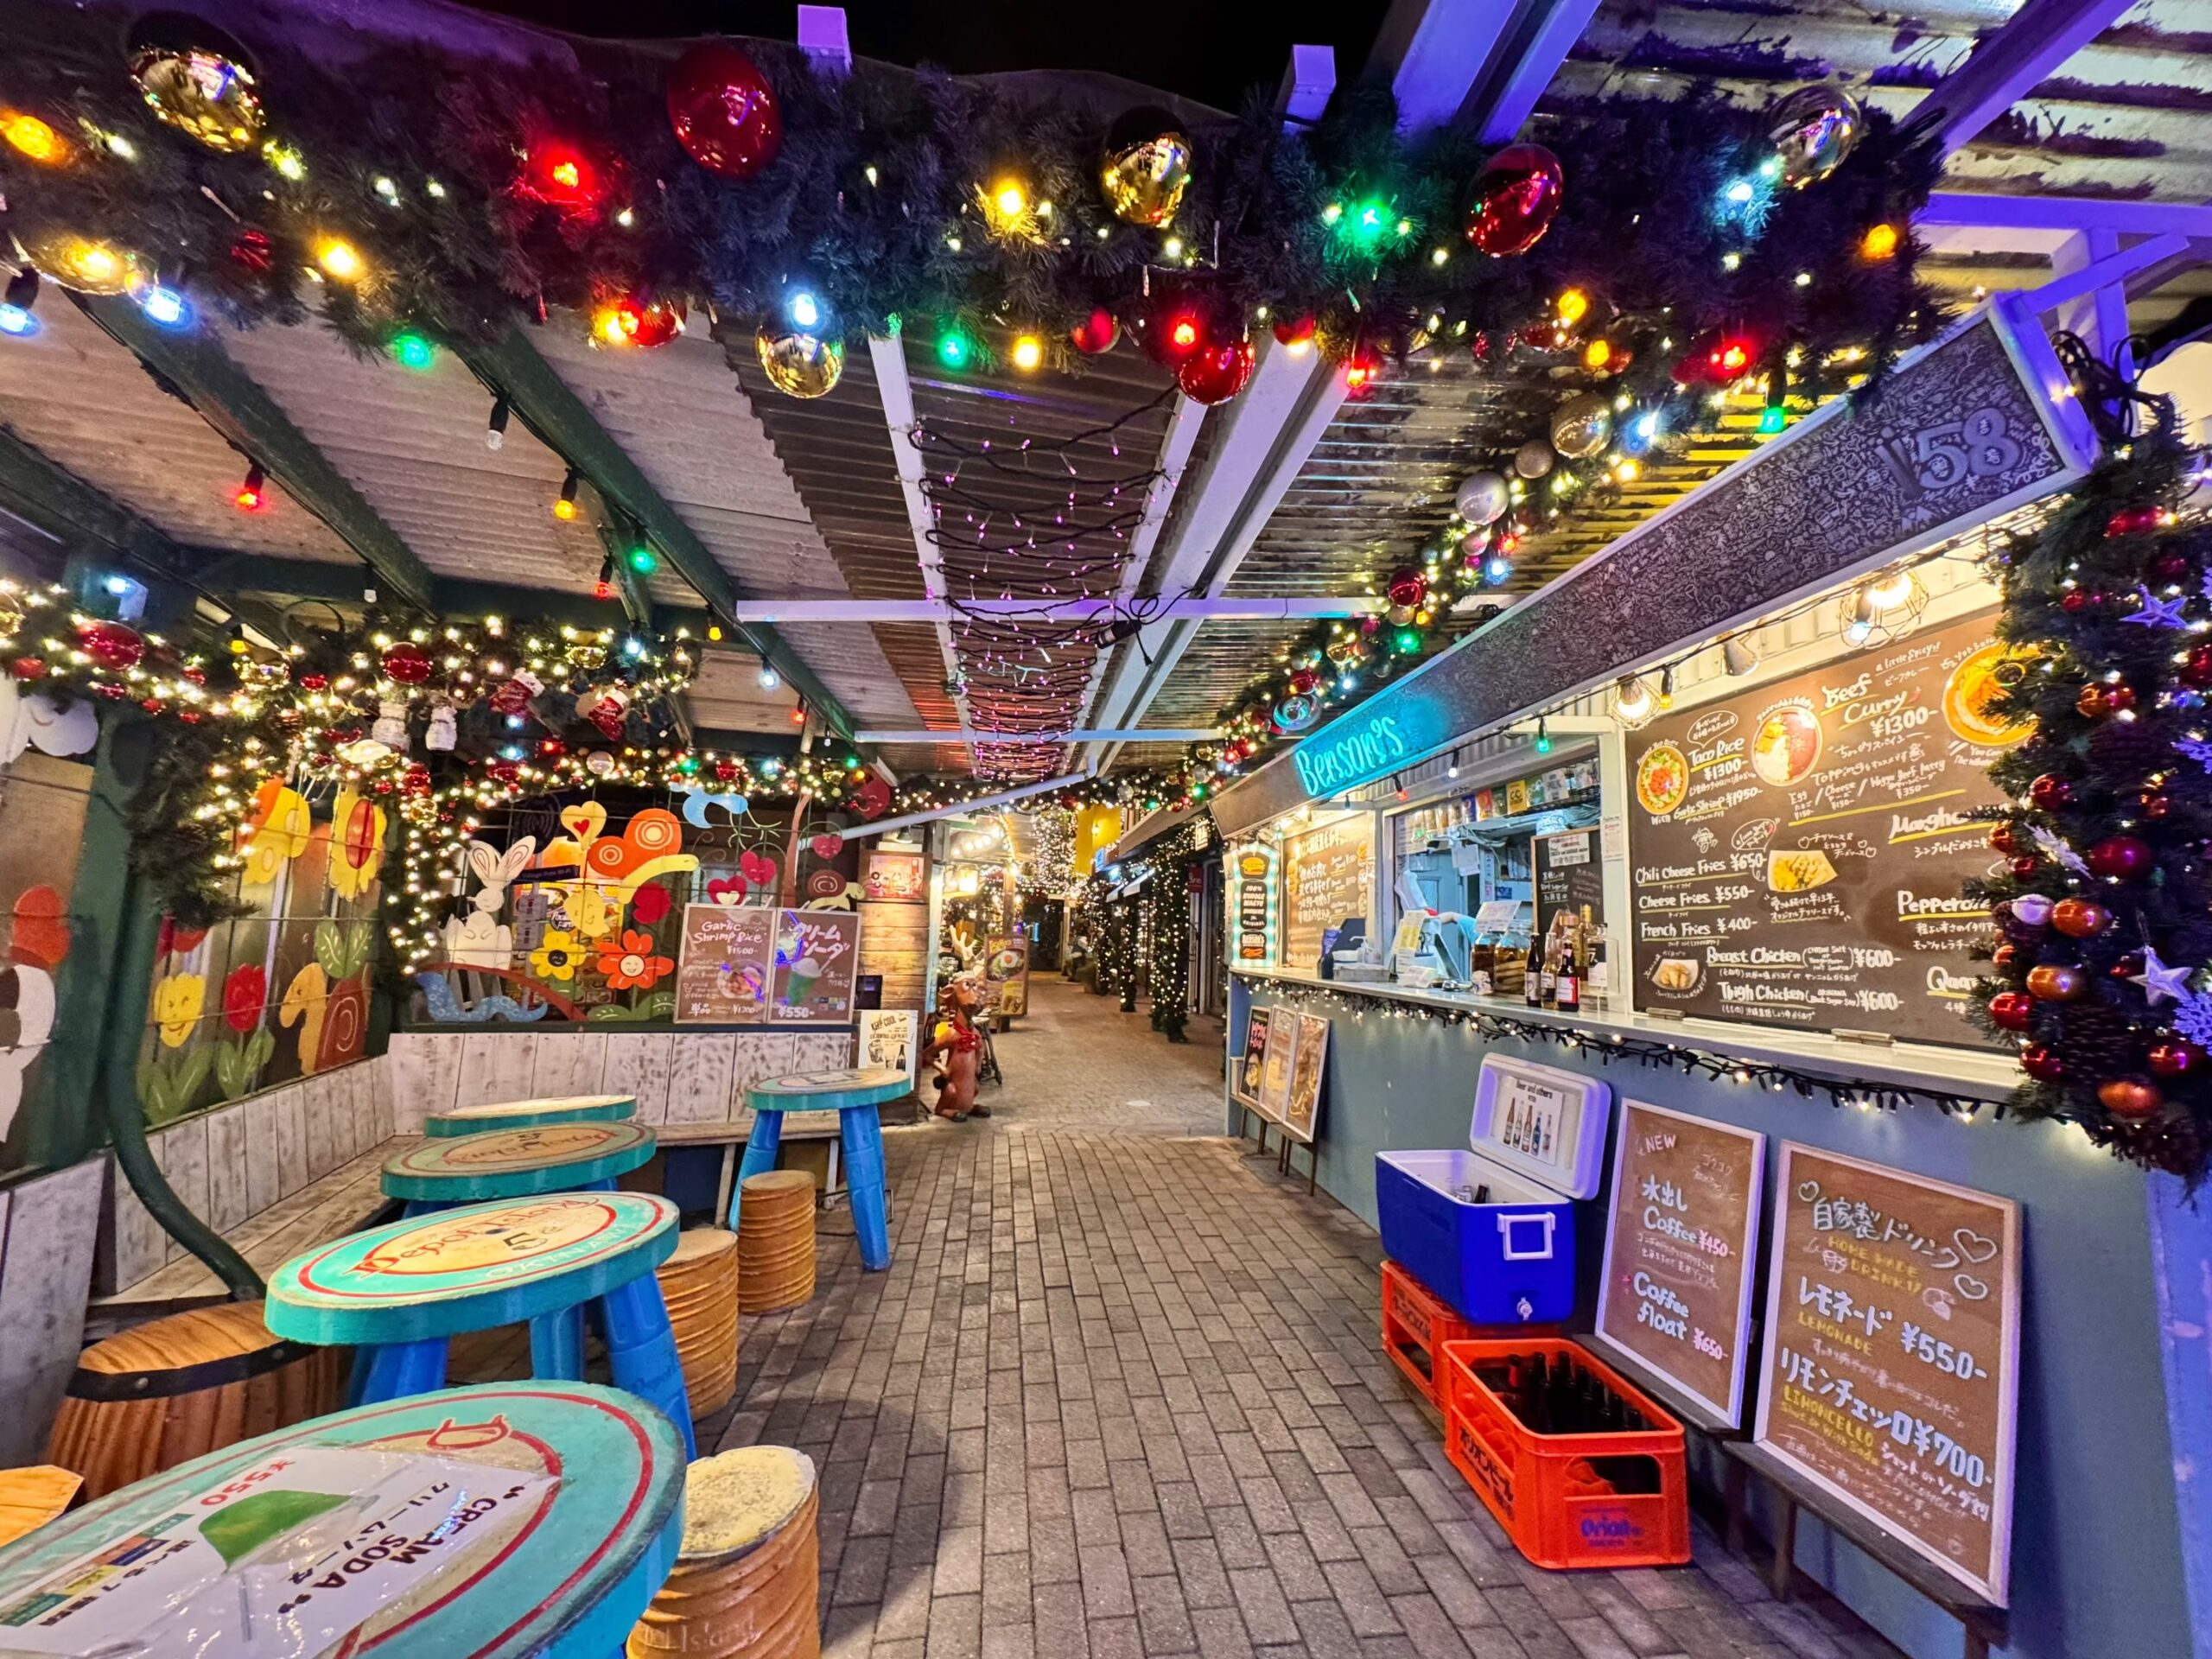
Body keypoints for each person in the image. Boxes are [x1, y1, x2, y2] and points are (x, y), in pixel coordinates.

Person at [920, 978, 990, 1121]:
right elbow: (927, 1054)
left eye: (974, 986)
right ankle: (943, 1109)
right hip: (954, 1080)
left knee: (974, 1088)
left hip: (969, 1079)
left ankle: (968, 1107)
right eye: (967, 986)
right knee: (951, 1091)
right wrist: (943, 1070)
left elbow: (981, 1048)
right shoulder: (952, 1034)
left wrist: (978, 1065)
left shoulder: (974, 1032)